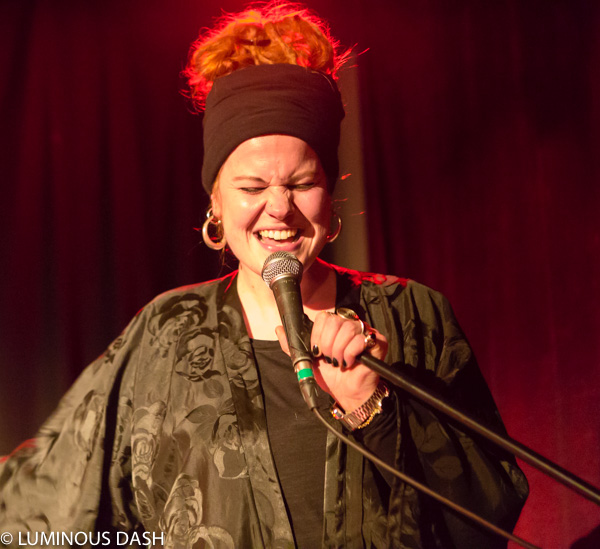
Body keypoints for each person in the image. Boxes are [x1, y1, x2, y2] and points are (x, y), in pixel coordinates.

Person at [0, 3, 528, 548]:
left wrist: (373, 412)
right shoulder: (167, 334)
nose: (279, 207)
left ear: (330, 191)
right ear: (216, 203)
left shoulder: (414, 315)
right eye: (252, 187)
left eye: (301, 184)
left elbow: (488, 513)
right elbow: (45, 497)